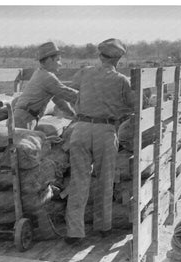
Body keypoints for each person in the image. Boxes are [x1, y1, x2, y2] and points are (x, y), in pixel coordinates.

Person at [64, 38, 135, 244]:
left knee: (79, 181)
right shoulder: (122, 80)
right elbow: (133, 106)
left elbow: (71, 90)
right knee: (105, 180)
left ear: (99, 55)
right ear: (118, 59)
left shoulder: (85, 72)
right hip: (106, 130)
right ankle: (103, 227)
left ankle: (74, 232)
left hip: (81, 129)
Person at [13, 42, 78, 129]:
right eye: (58, 60)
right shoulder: (47, 77)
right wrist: (91, 97)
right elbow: (68, 94)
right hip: (24, 119)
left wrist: (72, 115)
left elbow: (59, 100)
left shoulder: (41, 73)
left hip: (25, 117)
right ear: (49, 60)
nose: (60, 64)